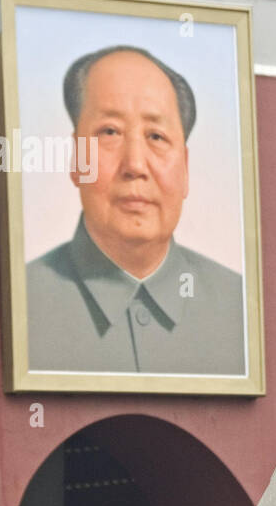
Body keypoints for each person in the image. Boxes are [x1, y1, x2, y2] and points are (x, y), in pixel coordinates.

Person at [25, 46, 246, 375]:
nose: (135, 165)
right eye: (110, 132)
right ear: (76, 158)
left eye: (156, 136)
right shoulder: (25, 302)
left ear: (185, 168)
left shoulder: (239, 308)